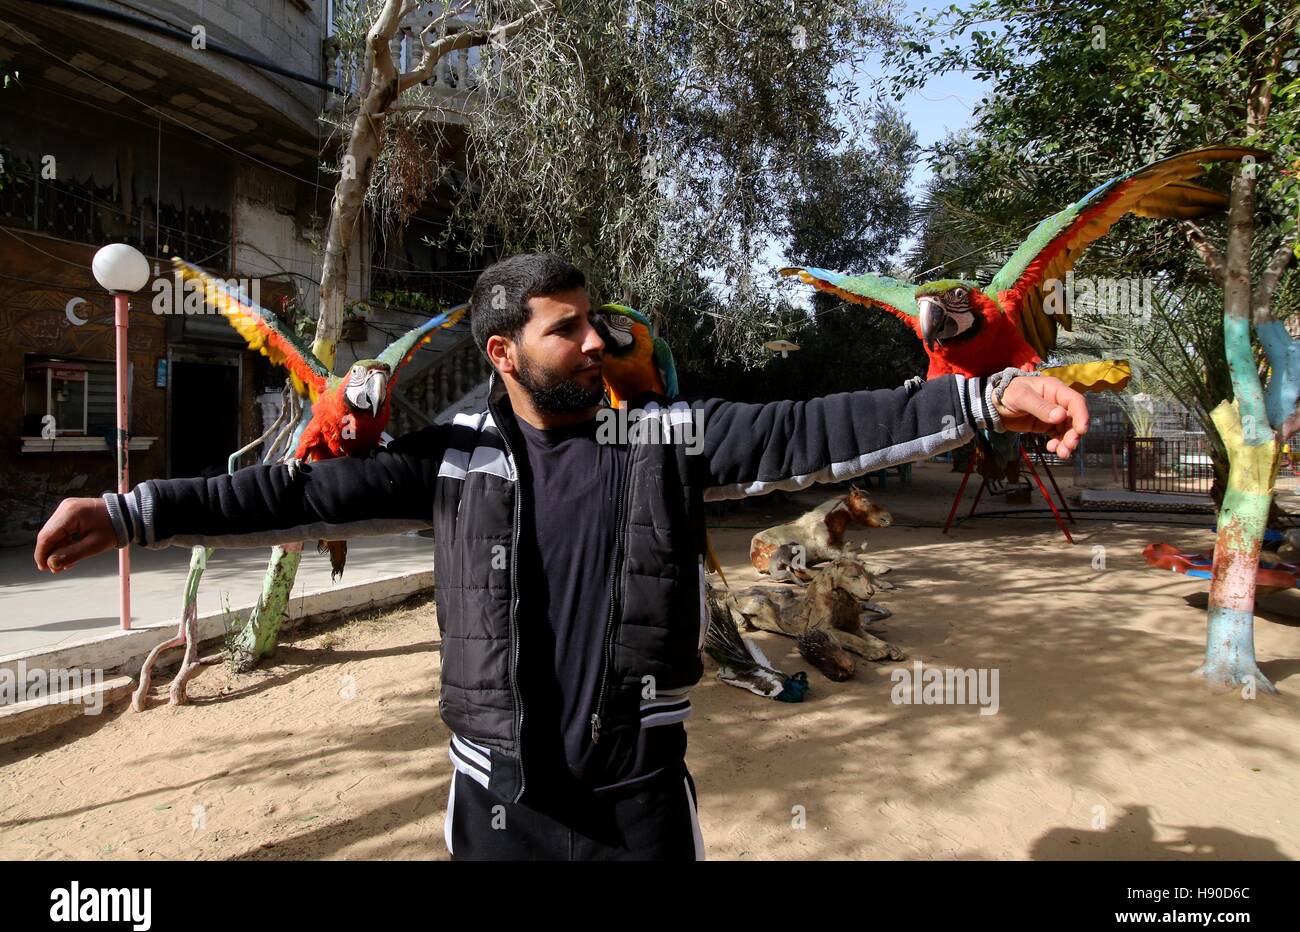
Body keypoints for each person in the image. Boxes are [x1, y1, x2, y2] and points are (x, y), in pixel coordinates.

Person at [34, 253, 1089, 861]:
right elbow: (288, 491)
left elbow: (812, 427)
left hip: (637, 792)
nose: (595, 343)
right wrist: (131, 511)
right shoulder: (447, 461)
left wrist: (986, 396)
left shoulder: (659, 436)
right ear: (503, 354)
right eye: (567, 329)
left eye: (595, 324)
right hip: (498, 802)